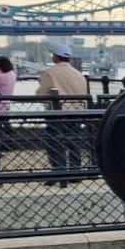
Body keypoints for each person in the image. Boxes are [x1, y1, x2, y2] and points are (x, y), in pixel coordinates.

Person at [35, 44, 90, 183]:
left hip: (57, 114)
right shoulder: (79, 75)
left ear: (55, 57)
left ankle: (58, 173)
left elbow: (41, 93)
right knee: (74, 143)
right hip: (76, 113)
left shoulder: (50, 73)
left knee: (54, 143)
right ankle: (75, 173)